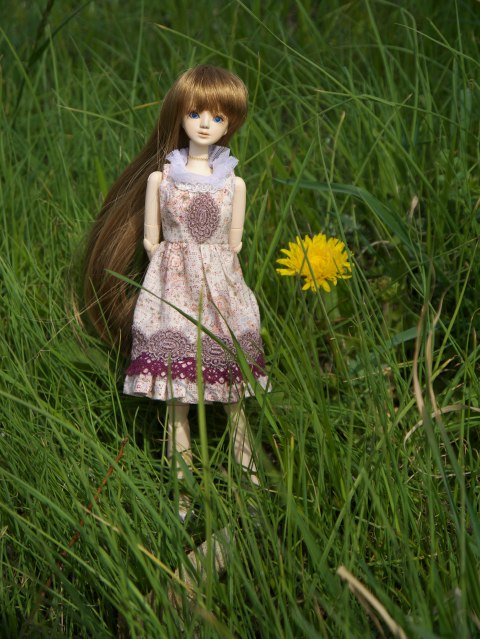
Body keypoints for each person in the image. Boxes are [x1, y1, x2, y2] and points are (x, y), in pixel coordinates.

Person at [84, 65, 268, 516]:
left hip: (221, 290)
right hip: (172, 287)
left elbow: (235, 242)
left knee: (234, 397)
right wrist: (169, 259)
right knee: (176, 401)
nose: (205, 124)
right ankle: (183, 496)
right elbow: (152, 238)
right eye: (196, 113)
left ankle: (252, 488)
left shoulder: (234, 182)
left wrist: (212, 263)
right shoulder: (162, 179)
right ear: (179, 115)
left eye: (218, 117)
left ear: (230, 123)